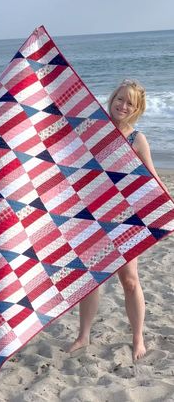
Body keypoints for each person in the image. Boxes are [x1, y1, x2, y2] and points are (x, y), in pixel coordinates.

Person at [68, 79, 168, 361]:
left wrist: (167, 211)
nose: (123, 106)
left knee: (130, 280)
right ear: (112, 98)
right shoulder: (93, 130)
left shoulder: (137, 139)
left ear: (137, 109)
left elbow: (152, 178)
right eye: (120, 99)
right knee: (91, 279)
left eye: (130, 103)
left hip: (126, 218)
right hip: (91, 214)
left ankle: (138, 338)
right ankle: (83, 335)